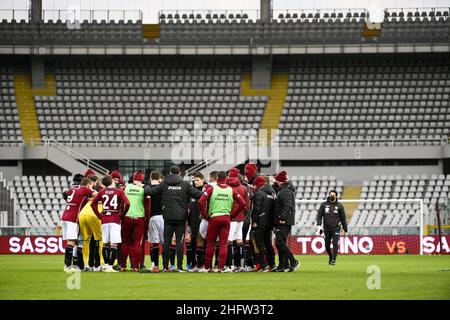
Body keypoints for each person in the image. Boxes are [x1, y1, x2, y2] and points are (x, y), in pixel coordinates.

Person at [145, 165, 202, 272]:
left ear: (170, 173)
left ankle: (165, 267)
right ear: (179, 173)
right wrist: (208, 191)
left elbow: (150, 192)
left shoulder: (164, 184)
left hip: (168, 216)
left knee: (167, 242)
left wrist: (146, 186)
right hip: (181, 217)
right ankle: (179, 267)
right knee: (180, 242)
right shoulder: (185, 184)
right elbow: (198, 194)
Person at [197, 171, 247, 273]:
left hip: (214, 218)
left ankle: (208, 267)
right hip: (226, 218)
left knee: (210, 243)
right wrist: (233, 214)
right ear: (226, 178)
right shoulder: (230, 190)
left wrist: (205, 215)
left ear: (217, 179)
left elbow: (200, 201)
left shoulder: (212, 188)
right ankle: (220, 268)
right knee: (223, 244)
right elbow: (242, 203)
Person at [91, 175, 130, 272]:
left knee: (105, 243)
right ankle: (110, 266)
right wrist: (122, 214)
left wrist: (99, 215)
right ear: (112, 181)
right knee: (114, 244)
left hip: (105, 219)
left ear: (104, 184)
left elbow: (92, 204)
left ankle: (106, 265)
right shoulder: (119, 191)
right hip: (115, 219)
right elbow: (128, 203)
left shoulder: (101, 192)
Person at [60, 177, 97, 272]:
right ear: (89, 185)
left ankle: (68, 265)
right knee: (71, 242)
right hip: (73, 217)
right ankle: (68, 267)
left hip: (65, 216)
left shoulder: (73, 189)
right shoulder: (85, 189)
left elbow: (65, 194)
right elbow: (98, 195)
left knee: (72, 242)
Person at [121, 170, 150, 272]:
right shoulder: (144, 190)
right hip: (139, 219)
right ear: (142, 179)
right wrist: (147, 222)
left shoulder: (125, 187)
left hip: (127, 218)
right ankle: (135, 267)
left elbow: (121, 202)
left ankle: (123, 266)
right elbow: (148, 208)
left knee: (125, 242)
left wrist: (121, 216)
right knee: (137, 243)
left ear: (133, 178)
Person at [272, 171, 299, 272]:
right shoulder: (284, 190)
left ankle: (293, 261)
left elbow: (288, 206)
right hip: (283, 220)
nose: (276, 182)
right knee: (280, 243)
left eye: (277, 180)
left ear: (281, 181)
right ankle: (283, 265)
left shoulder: (285, 191)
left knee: (279, 242)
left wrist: (281, 217)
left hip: (284, 221)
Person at [225, 168, 249, 272]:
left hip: (231, 217)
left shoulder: (227, 187)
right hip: (241, 218)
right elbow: (246, 205)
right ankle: (241, 266)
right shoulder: (243, 188)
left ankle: (230, 266)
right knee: (239, 240)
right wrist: (241, 213)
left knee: (229, 241)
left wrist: (231, 214)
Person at [316, 189, 348, 266]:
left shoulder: (340, 206)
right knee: (327, 246)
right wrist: (318, 225)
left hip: (336, 228)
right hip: (326, 229)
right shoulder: (323, 205)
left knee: (335, 244)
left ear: (336, 196)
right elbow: (319, 215)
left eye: (333, 195)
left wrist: (345, 230)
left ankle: (333, 259)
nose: (332, 196)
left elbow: (343, 218)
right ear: (329, 195)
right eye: (331, 195)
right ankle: (331, 256)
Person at [251, 175, 276, 272]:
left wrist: (254, 221)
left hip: (260, 222)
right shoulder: (272, 193)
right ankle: (272, 264)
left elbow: (257, 209)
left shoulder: (259, 194)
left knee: (259, 243)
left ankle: (263, 265)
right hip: (269, 223)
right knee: (268, 243)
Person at [185, 171, 205, 271]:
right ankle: (193, 264)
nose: (195, 182)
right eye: (194, 180)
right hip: (193, 222)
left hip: (203, 222)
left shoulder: (207, 191)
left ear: (203, 180)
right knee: (192, 242)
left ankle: (203, 264)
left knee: (203, 243)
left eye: (197, 180)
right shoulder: (191, 193)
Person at [146, 171, 163, 272]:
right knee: (166, 243)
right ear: (159, 178)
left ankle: (155, 266)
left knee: (154, 243)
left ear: (151, 177)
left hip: (152, 217)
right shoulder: (163, 188)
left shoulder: (147, 189)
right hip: (164, 218)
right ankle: (167, 266)